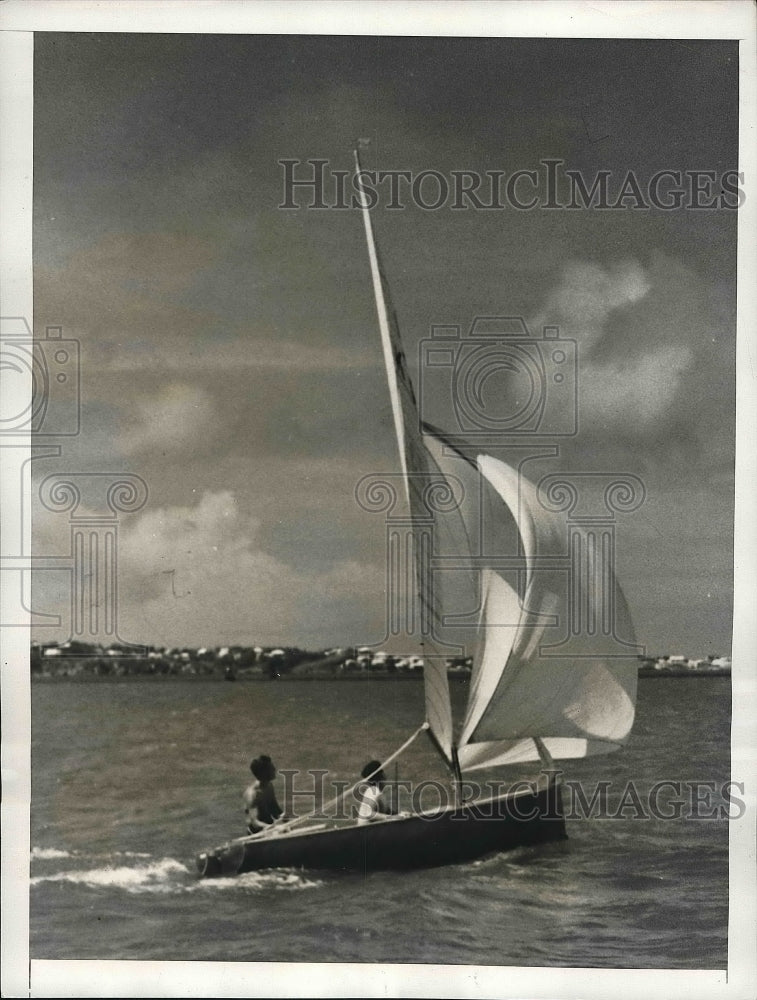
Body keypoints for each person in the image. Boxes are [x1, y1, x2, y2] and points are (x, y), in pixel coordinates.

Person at [243, 754, 285, 834]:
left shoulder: (269, 786)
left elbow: (275, 810)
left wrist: (286, 817)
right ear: (264, 772)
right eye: (271, 768)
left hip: (270, 828)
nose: (274, 769)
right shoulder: (252, 795)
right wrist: (274, 828)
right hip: (256, 834)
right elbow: (255, 823)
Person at [356, 760, 397, 824]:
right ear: (382, 776)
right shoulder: (373, 791)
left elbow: (389, 811)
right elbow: (368, 814)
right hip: (366, 831)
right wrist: (390, 818)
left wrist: (403, 815)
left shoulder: (378, 793)